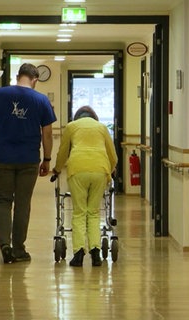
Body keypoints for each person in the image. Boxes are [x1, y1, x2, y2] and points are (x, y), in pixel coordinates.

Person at [0, 63, 56, 264]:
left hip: (2, 158)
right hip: (28, 159)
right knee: (23, 204)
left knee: (3, 201)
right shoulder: (41, 100)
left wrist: (1, 121)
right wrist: (47, 159)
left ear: (17, 76)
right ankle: (18, 249)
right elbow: (47, 133)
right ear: (35, 80)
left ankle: (4, 244)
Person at [53, 106, 118, 267]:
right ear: (94, 117)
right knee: (94, 212)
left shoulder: (71, 126)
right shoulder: (102, 128)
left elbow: (63, 151)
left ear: (77, 117)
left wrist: (57, 169)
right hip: (99, 170)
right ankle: (96, 253)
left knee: (79, 212)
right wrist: (111, 169)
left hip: (78, 169)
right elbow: (113, 154)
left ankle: (79, 254)